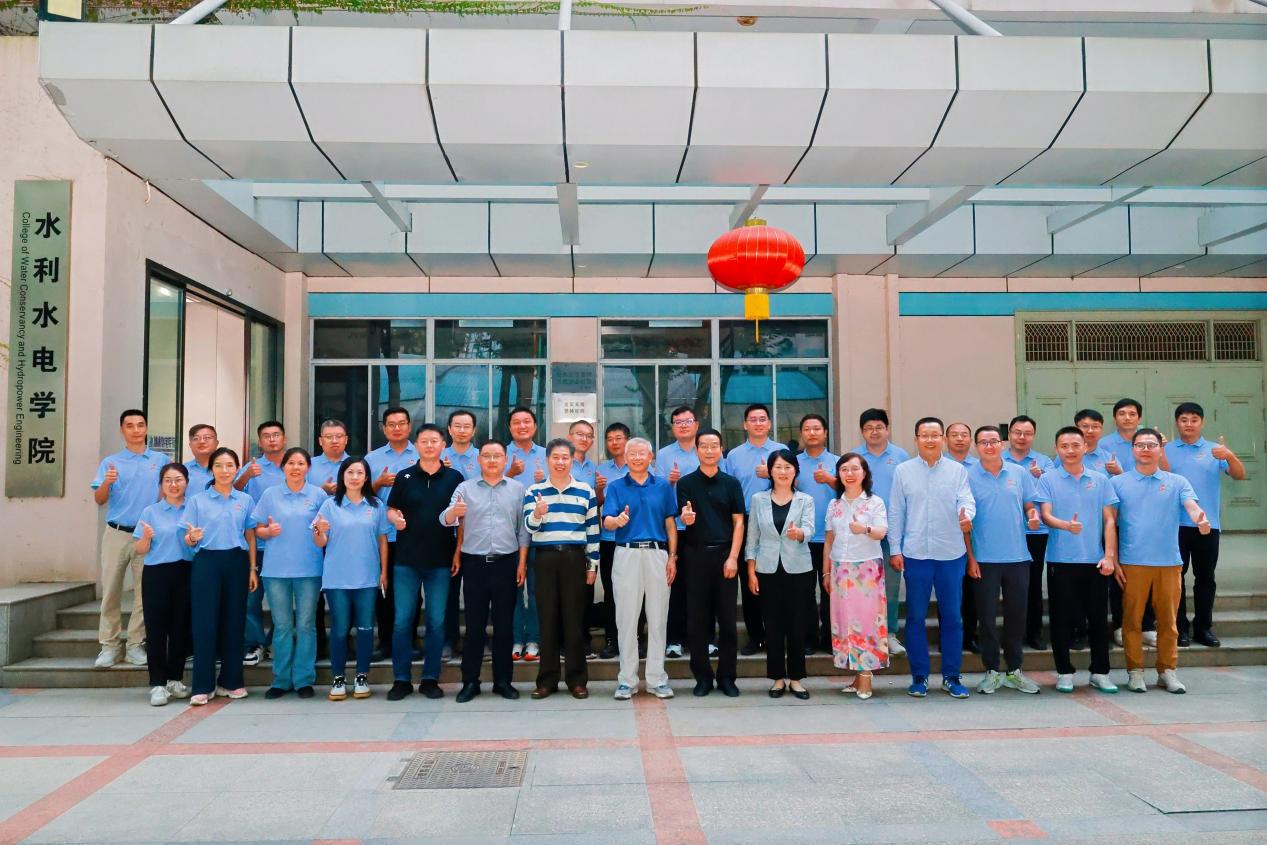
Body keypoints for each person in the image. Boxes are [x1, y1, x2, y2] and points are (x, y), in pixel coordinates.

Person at [1111, 428, 1210, 694]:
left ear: (1160, 449)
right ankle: (1135, 671)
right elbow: (1109, 523)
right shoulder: (1118, 483)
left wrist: (1200, 518)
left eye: (1151, 445)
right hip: (1133, 561)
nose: (1146, 449)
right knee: (1132, 620)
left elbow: (1192, 506)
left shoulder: (1177, 481)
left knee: (1168, 621)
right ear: (1133, 449)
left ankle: (1167, 671)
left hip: (1168, 561)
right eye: (1140, 445)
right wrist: (1113, 558)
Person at [888, 417, 975, 699]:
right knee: (915, 617)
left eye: (935, 434)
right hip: (916, 554)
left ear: (943, 439)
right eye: (924, 435)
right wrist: (895, 548)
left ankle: (952, 676)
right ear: (916, 439)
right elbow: (896, 511)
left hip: (951, 554)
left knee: (952, 617)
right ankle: (919, 676)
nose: (930, 439)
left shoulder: (957, 470)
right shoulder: (903, 471)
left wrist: (967, 515)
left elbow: (966, 500)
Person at [442, 440, 529, 703]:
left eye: (497, 456)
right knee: (475, 626)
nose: (492, 460)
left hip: (507, 563)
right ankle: (470, 681)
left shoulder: (517, 489)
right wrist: (453, 513)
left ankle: (503, 681)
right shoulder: (465, 488)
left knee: (504, 627)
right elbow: (446, 519)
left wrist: (522, 563)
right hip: (474, 564)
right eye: (487, 456)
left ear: (505, 460)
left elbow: (523, 530)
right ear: (479, 460)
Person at [1035, 426, 1120, 694]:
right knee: (1061, 619)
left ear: (1085, 447)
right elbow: (1045, 514)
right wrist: (1065, 525)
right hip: (1061, 561)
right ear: (1057, 449)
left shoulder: (1101, 479)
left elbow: (1109, 520)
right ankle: (1064, 672)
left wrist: (1109, 556)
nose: (1070, 450)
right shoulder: (1048, 479)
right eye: (1064, 446)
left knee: (1098, 619)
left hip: (1095, 560)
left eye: (1075, 445)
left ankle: (1100, 672)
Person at [385, 424, 463, 700]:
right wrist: (395, 519)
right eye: (424, 441)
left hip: (441, 560)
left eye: (434, 441)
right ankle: (401, 679)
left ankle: (430, 678)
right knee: (402, 621)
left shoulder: (454, 477)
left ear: (443, 444)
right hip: (406, 560)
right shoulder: (404, 476)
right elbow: (391, 508)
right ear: (416, 445)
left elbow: (461, 519)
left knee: (436, 622)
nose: (429, 445)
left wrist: (457, 553)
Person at [965, 426, 1041, 695]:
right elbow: (964, 524)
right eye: (983, 442)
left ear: (1002, 444)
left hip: (1018, 556)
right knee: (986, 617)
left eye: (994, 441)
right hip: (984, 559)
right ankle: (992, 671)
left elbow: (1030, 504)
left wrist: (1033, 515)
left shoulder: (1018, 473)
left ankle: (1014, 670)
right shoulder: (967, 476)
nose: (989, 446)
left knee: (1016, 616)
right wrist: (971, 558)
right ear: (976, 446)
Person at [91, 409, 168, 669]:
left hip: (146, 534)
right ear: (122, 430)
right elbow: (99, 499)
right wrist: (107, 483)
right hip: (117, 533)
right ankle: (109, 646)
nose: (136, 430)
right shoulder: (111, 462)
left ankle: (135, 644)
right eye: (130, 425)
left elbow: (166, 496)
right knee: (111, 591)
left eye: (140, 424)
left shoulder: (160, 460)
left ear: (146, 428)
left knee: (144, 594)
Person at [1165, 403, 1246, 648]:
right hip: (1174, 525)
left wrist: (1229, 456)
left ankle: (1203, 627)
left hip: (1207, 525)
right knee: (1175, 578)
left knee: (1206, 578)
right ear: (1177, 423)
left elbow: (1239, 475)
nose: (1188, 424)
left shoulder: (1215, 450)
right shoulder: (1166, 449)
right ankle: (1179, 628)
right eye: (1183, 420)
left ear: (1202, 423)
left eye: (1194, 419)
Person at [603, 437, 678, 700]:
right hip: (627, 554)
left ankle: (657, 679)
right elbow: (607, 521)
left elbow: (670, 524)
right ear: (625, 458)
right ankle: (627, 680)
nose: (636, 457)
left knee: (657, 619)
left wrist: (672, 557)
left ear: (651, 456)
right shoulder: (616, 487)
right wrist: (617, 520)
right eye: (632, 453)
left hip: (658, 554)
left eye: (641, 453)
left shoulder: (663, 486)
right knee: (626, 619)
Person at [524, 439, 600, 699]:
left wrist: (592, 565)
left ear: (572, 460)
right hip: (545, 558)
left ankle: (577, 680)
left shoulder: (585, 491)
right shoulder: (534, 491)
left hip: (574, 558)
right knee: (547, 620)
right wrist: (538, 513)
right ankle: (547, 680)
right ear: (547, 460)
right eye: (555, 457)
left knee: (574, 620)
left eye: (565, 457)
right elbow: (529, 527)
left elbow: (593, 531)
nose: (560, 462)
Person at [182, 447, 258, 706]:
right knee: (204, 623)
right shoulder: (197, 501)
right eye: (219, 466)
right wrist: (192, 537)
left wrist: (252, 568)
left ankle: (231, 681)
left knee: (234, 622)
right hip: (206, 563)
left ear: (237, 469)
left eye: (229, 466)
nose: (224, 471)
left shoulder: (244, 500)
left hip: (236, 562)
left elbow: (250, 535)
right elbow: (187, 537)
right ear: (211, 470)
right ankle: (203, 685)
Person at [251, 447, 326, 699]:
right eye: (291, 463)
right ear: (283, 467)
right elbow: (257, 529)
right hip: (276, 571)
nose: (295, 467)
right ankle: (281, 680)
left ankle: (304, 679)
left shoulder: (318, 495)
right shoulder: (270, 494)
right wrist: (268, 532)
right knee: (282, 626)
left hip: (309, 569)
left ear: (308, 468)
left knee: (305, 625)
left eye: (301, 463)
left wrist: (321, 529)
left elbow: (325, 531)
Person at [676, 428, 745, 697]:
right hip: (695, 556)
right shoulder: (686, 483)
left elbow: (739, 522)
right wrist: (686, 518)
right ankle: (702, 677)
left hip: (725, 555)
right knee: (697, 621)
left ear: (721, 449)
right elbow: (684, 515)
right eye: (703, 446)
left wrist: (733, 557)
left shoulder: (731, 483)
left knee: (727, 621)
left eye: (714, 445)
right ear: (696, 450)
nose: (709, 450)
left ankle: (727, 677)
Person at [313, 458, 389, 701]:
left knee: (366, 628)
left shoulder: (376, 505)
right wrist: (319, 530)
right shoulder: (329, 505)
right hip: (337, 578)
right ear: (342, 475)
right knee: (339, 629)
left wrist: (384, 572)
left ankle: (361, 676)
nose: (355, 477)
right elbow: (320, 542)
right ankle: (338, 678)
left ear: (366, 477)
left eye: (360, 473)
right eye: (350, 472)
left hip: (367, 577)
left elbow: (383, 539)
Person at [746, 450, 816, 700]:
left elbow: (810, 528)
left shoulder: (805, 500)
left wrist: (800, 534)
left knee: (797, 624)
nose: (783, 472)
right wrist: (751, 571)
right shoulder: (758, 499)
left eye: (788, 467)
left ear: (796, 470)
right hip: (767, 570)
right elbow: (752, 537)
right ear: (770, 471)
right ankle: (777, 678)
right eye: (778, 467)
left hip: (799, 569)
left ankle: (796, 679)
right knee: (773, 625)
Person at [823, 452, 889, 700]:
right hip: (840, 568)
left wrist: (865, 528)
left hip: (867, 570)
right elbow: (829, 540)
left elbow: (881, 532)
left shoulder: (874, 502)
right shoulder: (834, 505)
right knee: (845, 622)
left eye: (854, 469)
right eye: (844, 470)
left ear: (865, 473)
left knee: (867, 622)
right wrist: (827, 571)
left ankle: (866, 676)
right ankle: (856, 674)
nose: (849, 474)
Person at [723, 403, 786, 656]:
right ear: (745, 424)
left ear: (769, 423)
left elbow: (794, 482)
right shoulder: (734, 455)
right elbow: (727, 489)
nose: (758, 423)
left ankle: (775, 634)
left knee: (774, 579)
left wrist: (771, 474)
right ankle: (755, 636)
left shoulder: (781, 451)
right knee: (748, 579)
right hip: (744, 520)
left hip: (776, 518)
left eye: (762, 419)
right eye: (753, 419)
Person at [133, 463, 194, 706]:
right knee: (156, 630)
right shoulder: (151, 512)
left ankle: (175, 680)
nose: (173, 485)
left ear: (186, 482)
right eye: (168, 480)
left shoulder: (193, 509)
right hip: (156, 573)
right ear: (161, 485)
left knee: (181, 628)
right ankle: (157, 684)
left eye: (178, 479)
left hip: (185, 572)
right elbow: (140, 549)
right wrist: (146, 538)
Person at [1102, 399, 1159, 646]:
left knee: (1146, 570)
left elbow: (1163, 474)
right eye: (1122, 413)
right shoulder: (1104, 445)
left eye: (1132, 414)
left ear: (1139, 418)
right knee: (1120, 573)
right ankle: (1121, 624)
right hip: (1115, 517)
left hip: (1146, 518)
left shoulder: (1150, 441)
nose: (1127, 417)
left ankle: (1147, 625)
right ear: (1115, 417)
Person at [854, 408, 911, 657]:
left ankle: (889, 634)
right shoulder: (855, 457)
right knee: (862, 585)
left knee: (890, 586)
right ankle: (865, 633)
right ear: (862, 431)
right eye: (868, 428)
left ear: (887, 429)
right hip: (861, 533)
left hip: (892, 532)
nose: (874, 432)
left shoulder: (901, 456)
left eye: (878, 427)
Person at [366, 407, 419, 660]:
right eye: (391, 424)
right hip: (383, 536)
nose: (397, 428)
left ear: (409, 426)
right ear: (384, 428)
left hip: (413, 535)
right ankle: (385, 641)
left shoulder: (421, 454)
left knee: (412, 592)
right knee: (384, 590)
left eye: (401, 423)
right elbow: (360, 495)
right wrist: (379, 483)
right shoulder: (372, 459)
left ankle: (410, 640)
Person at [236, 420, 288, 667]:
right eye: (266, 436)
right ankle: (254, 643)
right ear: (260, 442)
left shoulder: (294, 464)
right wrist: (246, 475)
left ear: (284, 439)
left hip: (287, 546)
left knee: (283, 598)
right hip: (256, 545)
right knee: (251, 598)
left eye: (276, 435)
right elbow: (231, 492)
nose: (272, 439)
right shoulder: (252, 467)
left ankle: (276, 641)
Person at [1003, 415, 1054, 651]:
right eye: (1017, 432)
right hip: (1006, 533)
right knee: (1006, 585)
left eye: (1027, 433)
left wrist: (1041, 476)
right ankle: (1010, 634)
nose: (1022, 437)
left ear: (1033, 436)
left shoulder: (1044, 462)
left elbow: (1054, 491)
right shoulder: (997, 459)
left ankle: (1034, 633)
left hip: (1036, 532)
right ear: (1009, 435)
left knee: (1032, 584)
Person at [656, 406, 700, 658]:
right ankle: (674, 640)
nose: (683, 425)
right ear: (672, 427)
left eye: (688, 421)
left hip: (702, 529)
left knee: (701, 586)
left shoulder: (706, 449)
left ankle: (702, 639)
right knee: (674, 585)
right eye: (678, 422)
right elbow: (656, 490)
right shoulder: (664, 455)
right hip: (673, 529)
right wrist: (670, 481)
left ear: (696, 424)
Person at [505, 406, 547, 663]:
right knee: (513, 590)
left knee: (536, 591)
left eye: (527, 421)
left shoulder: (546, 455)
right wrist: (510, 473)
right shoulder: (500, 454)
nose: (522, 426)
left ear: (535, 426)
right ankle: (515, 639)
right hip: (508, 534)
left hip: (541, 533)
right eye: (516, 422)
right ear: (510, 427)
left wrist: (544, 480)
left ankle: (534, 639)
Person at [795, 413, 838, 655]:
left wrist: (830, 480)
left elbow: (851, 490)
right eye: (807, 429)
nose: (812, 433)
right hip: (803, 537)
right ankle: (809, 638)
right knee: (804, 592)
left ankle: (830, 638)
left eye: (817, 428)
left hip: (832, 538)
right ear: (801, 433)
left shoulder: (838, 462)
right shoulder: (793, 463)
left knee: (831, 590)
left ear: (825, 433)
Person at [441, 410, 480, 662]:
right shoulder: (438, 457)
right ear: (449, 429)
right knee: (449, 591)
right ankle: (449, 639)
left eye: (467, 426)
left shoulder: (483, 457)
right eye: (457, 426)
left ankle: (477, 640)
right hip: (446, 533)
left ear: (474, 430)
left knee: (477, 592)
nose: (462, 430)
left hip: (478, 534)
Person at [594, 423, 631, 659]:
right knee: (611, 592)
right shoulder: (602, 469)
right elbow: (597, 504)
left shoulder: (640, 466)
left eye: (618, 438)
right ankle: (612, 639)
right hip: (608, 540)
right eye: (609, 439)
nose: (614, 442)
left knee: (636, 592)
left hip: (633, 539)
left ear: (628, 440)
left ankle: (635, 639)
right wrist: (599, 490)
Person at [567, 419, 600, 658]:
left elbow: (595, 504)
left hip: (586, 537)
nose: (584, 439)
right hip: (561, 537)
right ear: (570, 436)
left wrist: (600, 490)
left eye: (589, 435)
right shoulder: (561, 462)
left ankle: (584, 640)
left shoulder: (593, 468)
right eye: (580, 434)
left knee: (585, 592)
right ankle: (564, 642)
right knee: (563, 595)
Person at [945, 421, 979, 653]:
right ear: (946, 439)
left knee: (971, 590)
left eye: (964, 434)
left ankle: (970, 636)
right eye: (954, 435)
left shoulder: (979, 467)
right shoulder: (939, 465)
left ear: (970, 440)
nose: (959, 438)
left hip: (974, 535)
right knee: (948, 591)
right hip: (945, 537)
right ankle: (947, 636)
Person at [309, 419, 350, 496]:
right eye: (328, 437)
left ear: (346, 440)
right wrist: (322, 491)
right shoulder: (308, 465)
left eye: (339, 436)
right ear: (320, 441)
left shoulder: (357, 465)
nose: (334, 441)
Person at [1074, 409, 1116, 477]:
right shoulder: (1065, 456)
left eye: (1095, 426)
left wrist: (1118, 472)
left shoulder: (1109, 459)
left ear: (1101, 429)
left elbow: (1123, 482)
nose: (1090, 431)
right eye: (1085, 426)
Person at [183, 424, 218, 493]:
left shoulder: (228, 470)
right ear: (190, 445)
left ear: (216, 443)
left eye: (207, 437)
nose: (202, 441)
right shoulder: (182, 471)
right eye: (196, 438)